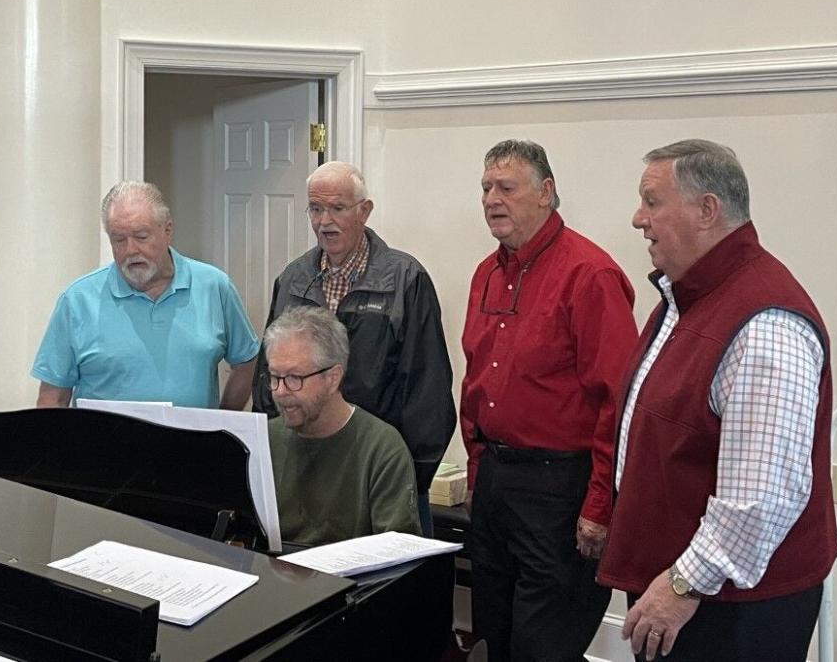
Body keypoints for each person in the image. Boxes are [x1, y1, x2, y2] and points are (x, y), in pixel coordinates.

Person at [598, 140, 837, 662]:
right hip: (692, 594)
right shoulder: (687, 298)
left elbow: (760, 496)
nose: (638, 218)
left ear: (707, 210)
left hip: (727, 608)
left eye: (652, 201)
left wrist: (683, 585)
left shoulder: (764, 323)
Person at [460, 139, 639, 662]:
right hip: (495, 479)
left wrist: (601, 507)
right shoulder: (486, 273)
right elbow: (476, 385)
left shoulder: (590, 275)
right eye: (486, 188)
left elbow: (618, 401)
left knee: (544, 647)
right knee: (495, 636)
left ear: (546, 192)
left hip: (561, 489)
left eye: (507, 188)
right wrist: (476, 473)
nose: (493, 199)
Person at [251, 161, 455, 534]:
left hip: (379, 474)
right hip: (302, 474)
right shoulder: (293, 278)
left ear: (365, 211)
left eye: (337, 208)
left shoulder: (406, 279)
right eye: (315, 208)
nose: (325, 221)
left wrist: (408, 478)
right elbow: (270, 377)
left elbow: (429, 393)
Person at [31, 181, 259, 409]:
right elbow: (53, 396)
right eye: (119, 239)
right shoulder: (78, 300)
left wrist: (221, 423)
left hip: (191, 443)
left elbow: (247, 363)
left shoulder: (214, 286)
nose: (131, 250)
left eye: (141, 236)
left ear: (167, 230)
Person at [263, 305, 421, 546]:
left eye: (295, 378)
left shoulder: (381, 448)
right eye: (275, 377)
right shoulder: (263, 441)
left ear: (333, 378)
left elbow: (398, 555)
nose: (280, 392)